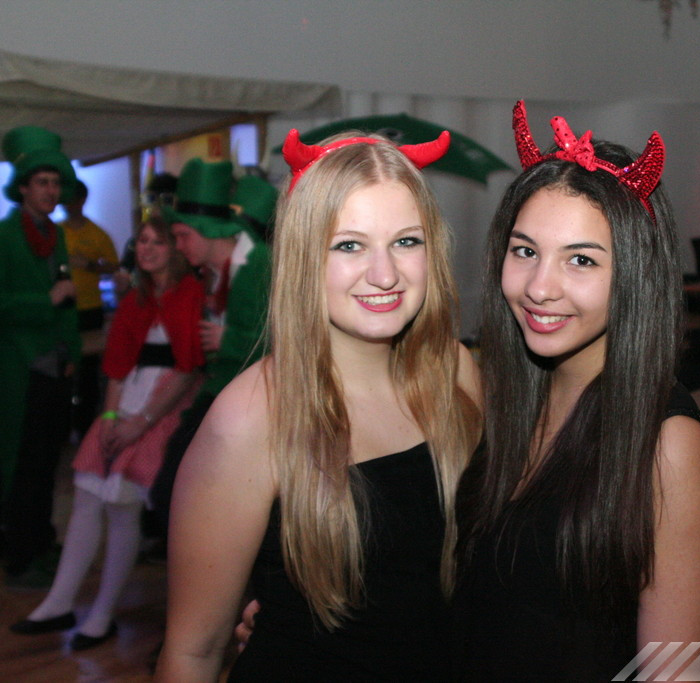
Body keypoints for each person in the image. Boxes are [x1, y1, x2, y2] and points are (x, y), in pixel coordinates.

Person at [155, 128, 481, 681]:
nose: (384, 274)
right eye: (349, 245)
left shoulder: (456, 371)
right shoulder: (252, 416)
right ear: (304, 257)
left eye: (407, 241)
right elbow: (192, 652)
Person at [453, 101, 700, 680]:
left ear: (635, 275)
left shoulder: (668, 445)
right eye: (525, 251)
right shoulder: (509, 400)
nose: (540, 287)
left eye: (580, 260)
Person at [10, 216, 204, 650]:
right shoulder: (136, 298)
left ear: (174, 249)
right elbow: (117, 364)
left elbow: (187, 369)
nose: (146, 249)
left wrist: (142, 422)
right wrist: (112, 418)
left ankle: (102, 613)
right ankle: (59, 602)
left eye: (157, 242)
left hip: (163, 407)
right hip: (127, 399)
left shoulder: (190, 294)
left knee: (122, 503)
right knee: (87, 492)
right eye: (142, 241)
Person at [148, 158, 272, 539]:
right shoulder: (216, 272)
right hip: (223, 396)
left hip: (252, 404)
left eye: (183, 235)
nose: (179, 246)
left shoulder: (259, 264)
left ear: (207, 230)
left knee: (178, 495)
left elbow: (287, 339)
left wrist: (226, 340)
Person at [0, 126, 81, 586]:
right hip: (18, 368)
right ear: (23, 188)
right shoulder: (4, 236)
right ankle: (20, 554)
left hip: (54, 368)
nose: (51, 190)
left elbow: (68, 300)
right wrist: (43, 301)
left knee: (49, 461)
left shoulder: (57, 235)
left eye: (55, 182)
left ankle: (41, 539)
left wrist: (72, 353)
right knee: (21, 463)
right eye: (42, 182)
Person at [61, 179, 120, 438]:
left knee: (87, 371)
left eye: (72, 200)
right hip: (62, 310)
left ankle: (85, 428)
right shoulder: (56, 232)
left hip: (90, 309)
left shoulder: (97, 233)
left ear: (82, 201)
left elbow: (113, 265)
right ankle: (62, 428)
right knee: (62, 367)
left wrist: (89, 265)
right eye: (65, 201)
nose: (67, 205)